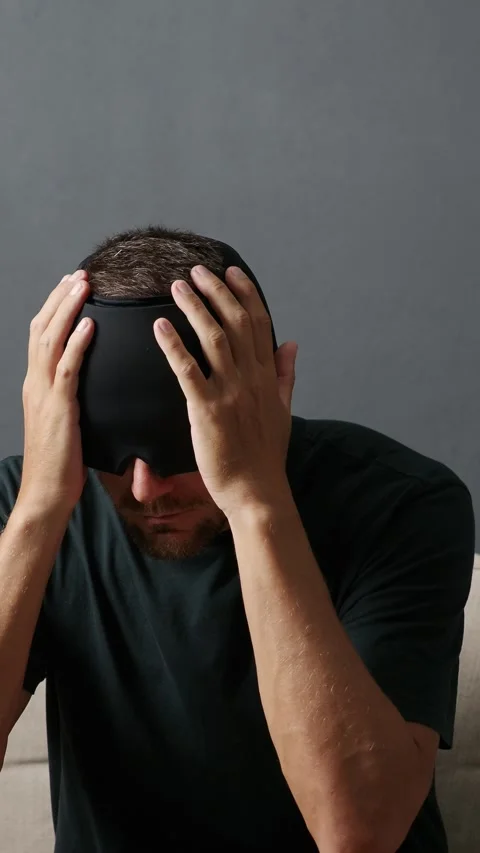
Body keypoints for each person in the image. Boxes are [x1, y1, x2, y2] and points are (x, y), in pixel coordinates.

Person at [0, 226, 474, 853]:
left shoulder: (400, 501)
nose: (146, 488)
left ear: (264, 394)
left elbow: (359, 829)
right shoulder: (30, 509)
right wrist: (36, 512)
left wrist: (255, 502)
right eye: (114, 454)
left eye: (178, 449)